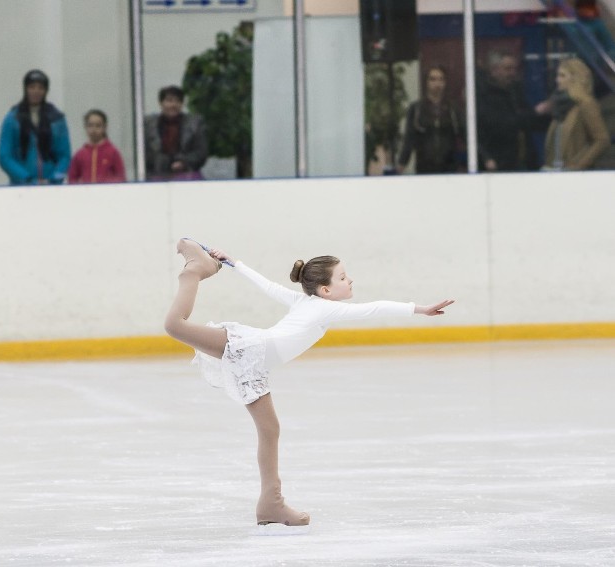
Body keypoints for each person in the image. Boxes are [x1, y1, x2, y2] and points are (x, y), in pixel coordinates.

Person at [163, 238, 454, 531]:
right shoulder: (326, 309)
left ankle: (270, 504)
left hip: (255, 365)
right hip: (250, 350)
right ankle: (194, 270)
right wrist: (421, 309)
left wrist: (234, 263)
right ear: (325, 290)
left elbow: (267, 286)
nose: (350, 280)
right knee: (175, 325)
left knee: (270, 429)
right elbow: (375, 308)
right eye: (343, 277)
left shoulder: (307, 302)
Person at [476, 51, 549, 171]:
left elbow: (527, 122)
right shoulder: (484, 96)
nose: (512, 73)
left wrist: (547, 116)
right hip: (498, 163)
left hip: (523, 160)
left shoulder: (515, 91)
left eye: (514, 69)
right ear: (494, 70)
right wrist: (535, 112)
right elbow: (502, 124)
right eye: (507, 69)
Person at [0, 69, 72, 185]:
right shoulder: (12, 119)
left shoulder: (57, 119)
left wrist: (54, 178)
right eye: (32, 87)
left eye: (40, 88)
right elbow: (5, 156)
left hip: (51, 187)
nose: (36, 91)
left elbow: (64, 155)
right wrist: (26, 178)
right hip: (21, 188)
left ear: (46, 91)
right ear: (25, 89)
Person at [541, 58, 611, 170]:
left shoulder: (586, 104)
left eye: (562, 76)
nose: (557, 80)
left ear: (576, 78)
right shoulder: (560, 105)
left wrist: (579, 165)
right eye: (558, 76)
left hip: (574, 174)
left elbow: (602, 139)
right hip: (554, 170)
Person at [397, 66, 464, 174]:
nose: (437, 84)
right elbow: (409, 140)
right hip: (424, 169)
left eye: (441, 79)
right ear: (426, 82)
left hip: (449, 169)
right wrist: (402, 164)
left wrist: (483, 158)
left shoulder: (453, 110)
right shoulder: (416, 109)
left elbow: (466, 135)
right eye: (433, 79)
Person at [143, 85, 208, 181]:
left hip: (188, 176)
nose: (173, 105)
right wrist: (165, 163)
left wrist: (183, 163)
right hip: (155, 176)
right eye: (169, 100)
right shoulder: (148, 125)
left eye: (177, 101)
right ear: (161, 103)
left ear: (182, 104)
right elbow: (143, 153)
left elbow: (201, 152)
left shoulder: (195, 124)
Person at [68, 109, 127, 184]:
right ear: (85, 127)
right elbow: (72, 179)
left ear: (104, 127)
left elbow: (121, 178)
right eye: (90, 125)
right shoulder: (79, 155)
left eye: (98, 126)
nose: (94, 129)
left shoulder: (113, 152)